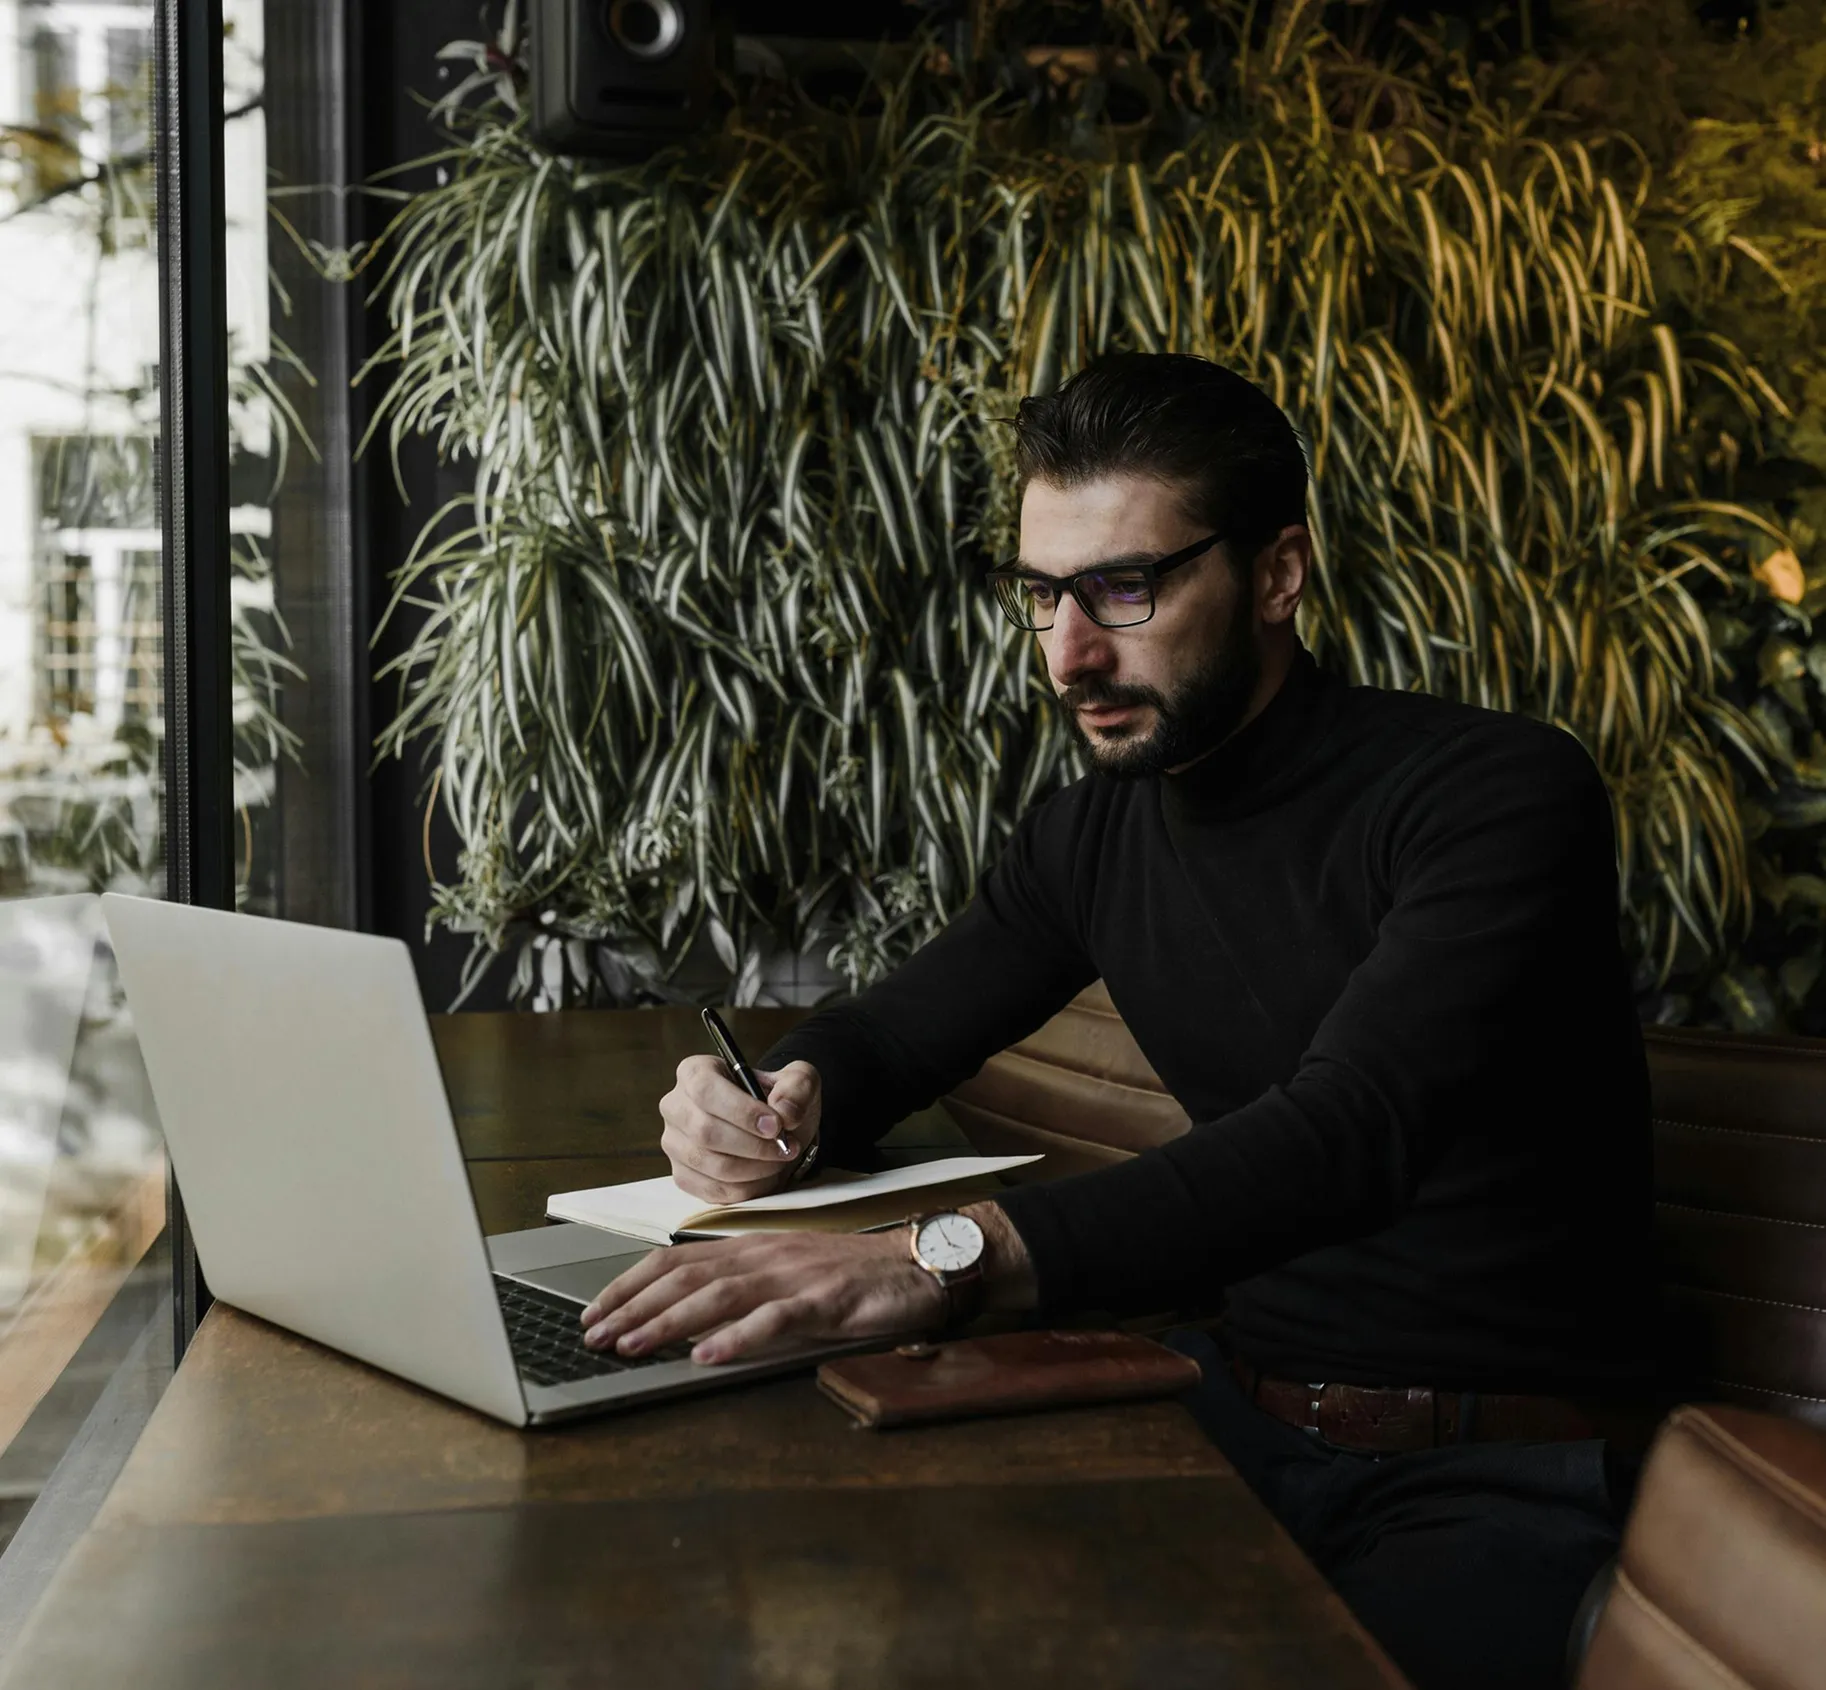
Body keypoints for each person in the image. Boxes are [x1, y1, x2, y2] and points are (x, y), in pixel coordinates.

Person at [580, 353, 1655, 1690]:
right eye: (1042, 596)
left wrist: (943, 1253)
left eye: (1124, 590)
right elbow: (895, 1032)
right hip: (1214, 1407)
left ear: (1275, 574)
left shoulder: (1494, 793)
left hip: (1492, 1465)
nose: (1069, 653)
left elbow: (1351, 1132)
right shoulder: (1090, 831)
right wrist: (777, 1101)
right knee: (811, 1600)